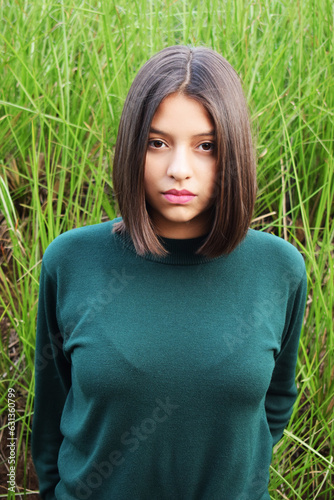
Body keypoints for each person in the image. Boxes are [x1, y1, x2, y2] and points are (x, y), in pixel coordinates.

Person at [32, 45, 308, 500]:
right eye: (157, 143)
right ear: (131, 148)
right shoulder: (71, 260)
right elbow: (51, 413)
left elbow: (276, 401)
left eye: (206, 146)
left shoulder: (279, 269)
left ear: (233, 153)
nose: (179, 170)